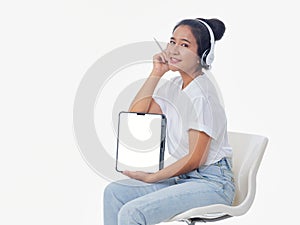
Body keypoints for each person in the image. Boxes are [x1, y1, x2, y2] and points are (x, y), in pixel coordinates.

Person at [103, 18, 235, 225]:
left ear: (203, 55)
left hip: (213, 183)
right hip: (186, 178)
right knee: (114, 193)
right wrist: (156, 73)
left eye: (184, 45)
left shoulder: (202, 96)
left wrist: (152, 177)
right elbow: (138, 115)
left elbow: (195, 159)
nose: (173, 49)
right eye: (172, 41)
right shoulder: (173, 86)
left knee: (133, 212)